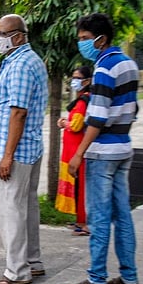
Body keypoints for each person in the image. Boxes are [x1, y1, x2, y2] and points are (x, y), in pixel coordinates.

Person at [63, 13, 141, 284]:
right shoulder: (129, 64)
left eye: (85, 38)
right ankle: (129, 277)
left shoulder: (104, 68)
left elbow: (96, 117)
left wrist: (78, 154)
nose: (82, 44)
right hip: (123, 147)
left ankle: (96, 279)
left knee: (98, 217)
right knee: (122, 216)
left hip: (102, 152)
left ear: (101, 39)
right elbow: (133, 109)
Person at [0, 14, 48, 284]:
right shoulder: (24, 61)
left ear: (19, 36)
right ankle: (32, 261)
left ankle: (17, 270)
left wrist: (7, 156)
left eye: (2, 33)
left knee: (11, 211)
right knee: (26, 208)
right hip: (27, 148)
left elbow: (18, 112)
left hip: (14, 151)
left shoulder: (21, 65)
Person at [55, 66, 92, 236]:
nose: (74, 81)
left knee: (80, 187)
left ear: (87, 81)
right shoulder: (81, 99)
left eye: (77, 78)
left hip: (77, 150)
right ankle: (79, 219)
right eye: (73, 77)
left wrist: (64, 123)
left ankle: (83, 223)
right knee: (76, 185)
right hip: (72, 149)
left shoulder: (84, 100)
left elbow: (77, 125)